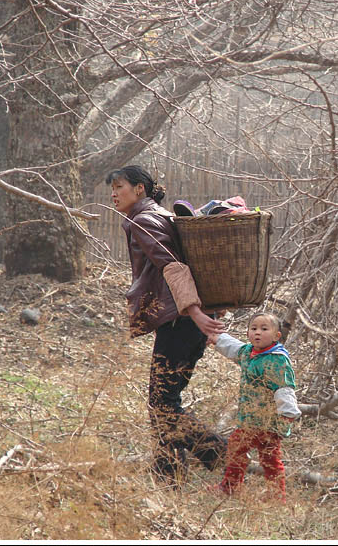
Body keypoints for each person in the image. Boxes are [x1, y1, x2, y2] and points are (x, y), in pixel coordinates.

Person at [106, 165, 228, 487]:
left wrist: (196, 313)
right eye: (113, 188)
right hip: (186, 320)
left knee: (162, 404)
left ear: (140, 189)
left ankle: (219, 452)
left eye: (119, 187)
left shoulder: (144, 220)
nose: (114, 194)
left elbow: (172, 267)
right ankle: (169, 477)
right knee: (165, 401)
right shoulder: (161, 215)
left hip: (181, 321)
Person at [208, 312, 301, 501]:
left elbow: (284, 387)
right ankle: (276, 496)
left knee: (240, 447)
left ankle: (231, 487)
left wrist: (288, 412)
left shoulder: (276, 360)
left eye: (264, 329)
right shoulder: (250, 352)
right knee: (268, 457)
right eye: (254, 328)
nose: (257, 333)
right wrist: (216, 339)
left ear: (277, 336)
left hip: (267, 419)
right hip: (253, 418)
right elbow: (234, 348)